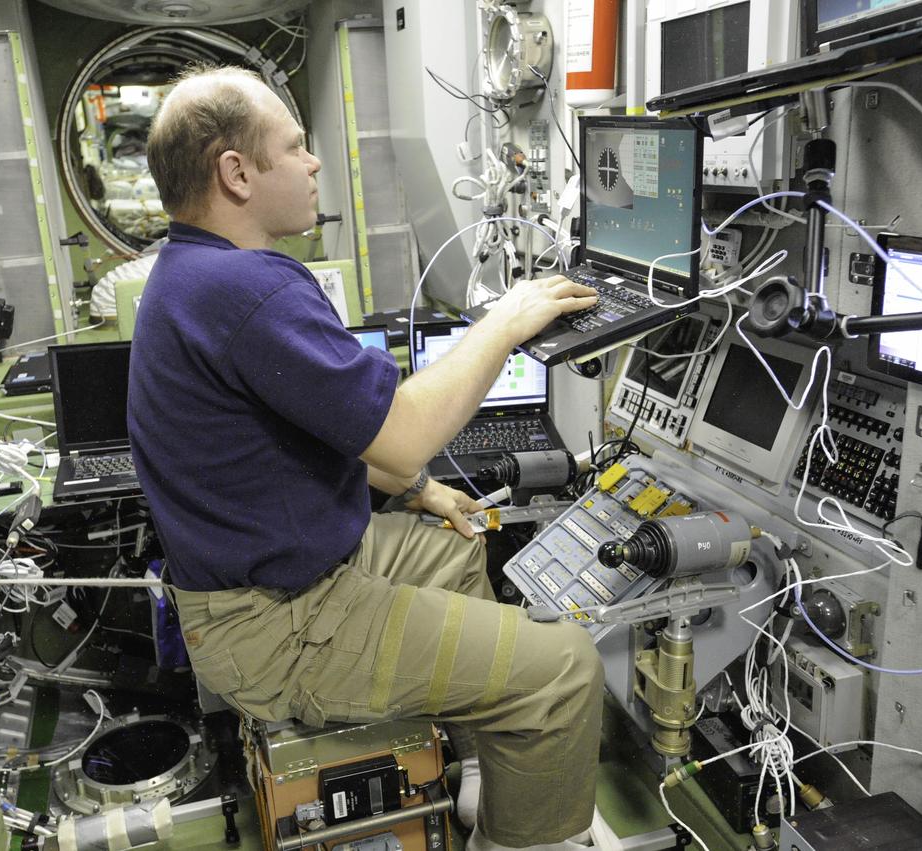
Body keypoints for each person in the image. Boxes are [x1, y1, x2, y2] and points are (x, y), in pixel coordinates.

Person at [128, 64, 604, 851]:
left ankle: (478, 778)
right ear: (237, 173)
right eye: (294, 147)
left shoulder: (187, 274)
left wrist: (418, 490)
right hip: (280, 627)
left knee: (456, 547)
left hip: (261, 592)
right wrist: (506, 321)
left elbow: (318, 435)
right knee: (564, 669)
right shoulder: (247, 291)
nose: (314, 162)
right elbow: (404, 429)